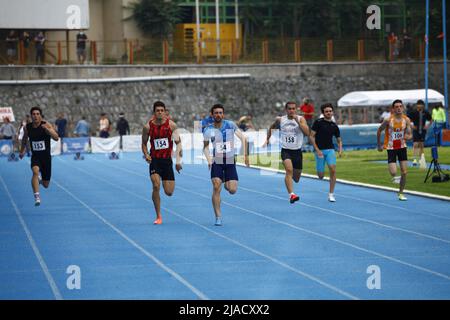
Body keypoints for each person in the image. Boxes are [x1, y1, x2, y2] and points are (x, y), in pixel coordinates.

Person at [203, 104, 249, 226]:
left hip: (229, 161)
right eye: (216, 113)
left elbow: (243, 138)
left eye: (220, 112)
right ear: (212, 115)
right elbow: (206, 148)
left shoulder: (230, 125)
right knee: (216, 186)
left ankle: (225, 182)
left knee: (232, 189)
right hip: (217, 161)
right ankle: (218, 216)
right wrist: (208, 160)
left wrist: (245, 156)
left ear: (223, 114)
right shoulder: (208, 130)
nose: (218, 115)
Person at [141, 101, 182, 225]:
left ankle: (165, 188)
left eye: (162, 110)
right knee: (156, 185)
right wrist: (146, 154)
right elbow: (143, 143)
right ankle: (158, 216)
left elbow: (178, 143)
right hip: (155, 160)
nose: (160, 112)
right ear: (154, 112)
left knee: (169, 192)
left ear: (165, 112)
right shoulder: (147, 127)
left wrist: (178, 161)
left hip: (167, 161)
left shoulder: (172, 126)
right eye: (157, 110)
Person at [263, 101, 310, 203]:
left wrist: (297, 121)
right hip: (286, 150)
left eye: (293, 108)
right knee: (289, 170)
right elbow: (272, 127)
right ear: (286, 110)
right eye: (289, 109)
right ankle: (291, 195)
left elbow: (307, 133)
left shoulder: (301, 119)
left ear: (296, 109)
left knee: (296, 178)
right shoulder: (280, 120)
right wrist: (267, 139)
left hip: (297, 151)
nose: (291, 110)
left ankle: (290, 179)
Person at [19, 107, 59, 206]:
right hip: (35, 156)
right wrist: (22, 151)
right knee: (35, 172)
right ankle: (37, 197)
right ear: (31, 116)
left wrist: (48, 131)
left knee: (46, 185)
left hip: (46, 158)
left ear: (40, 115)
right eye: (33, 114)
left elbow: (56, 138)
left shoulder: (46, 125)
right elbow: (24, 139)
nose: (35, 116)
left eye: (37, 114)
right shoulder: (27, 127)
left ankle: (40, 181)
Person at [377, 100, 412, 201]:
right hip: (391, 148)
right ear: (393, 109)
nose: (399, 108)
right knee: (393, 172)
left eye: (400, 106)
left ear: (403, 108)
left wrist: (408, 137)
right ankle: (394, 177)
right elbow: (379, 130)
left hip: (402, 147)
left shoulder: (407, 120)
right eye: (396, 107)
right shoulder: (388, 120)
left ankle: (400, 193)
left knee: (404, 172)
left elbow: (410, 134)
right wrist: (379, 145)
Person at [309, 103, 343, 202]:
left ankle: (331, 194)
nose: (328, 113)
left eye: (330, 111)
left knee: (333, 169)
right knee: (320, 176)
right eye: (326, 111)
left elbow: (339, 140)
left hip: (330, 150)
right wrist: (317, 150)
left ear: (332, 112)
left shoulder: (334, 126)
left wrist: (340, 150)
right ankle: (319, 169)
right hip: (319, 151)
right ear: (323, 113)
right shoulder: (318, 122)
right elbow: (311, 136)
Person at [409, 100, 431, 166]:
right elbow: (408, 119)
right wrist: (411, 126)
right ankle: (415, 159)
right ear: (417, 105)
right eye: (419, 104)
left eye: (421, 105)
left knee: (421, 145)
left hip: (423, 131)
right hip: (416, 130)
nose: (420, 106)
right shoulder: (414, 112)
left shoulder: (425, 112)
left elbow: (431, 119)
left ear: (423, 106)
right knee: (415, 144)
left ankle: (421, 159)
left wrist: (427, 126)